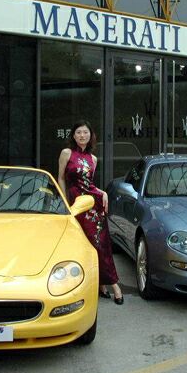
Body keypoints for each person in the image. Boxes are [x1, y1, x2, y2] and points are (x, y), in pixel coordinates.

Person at [58, 120, 124, 305]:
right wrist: (65, 202)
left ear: (90, 135)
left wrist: (102, 193)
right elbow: (61, 178)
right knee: (84, 245)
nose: (82, 135)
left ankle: (112, 284)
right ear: (73, 135)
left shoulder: (93, 159)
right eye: (78, 132)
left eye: (85, 132)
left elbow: (90, 186)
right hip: (75, 205)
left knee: (101, 244)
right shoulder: (66, 153)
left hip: (92, 206)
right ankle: (98, 284)